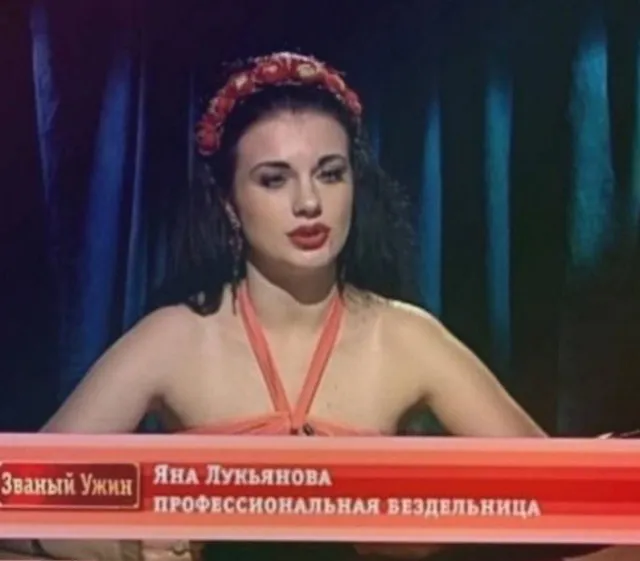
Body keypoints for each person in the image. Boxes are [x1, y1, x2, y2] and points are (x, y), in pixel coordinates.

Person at [0, 52, 625, 561]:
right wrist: (116, 547)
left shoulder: (406, 337)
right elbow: (17, 502)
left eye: (329, 173)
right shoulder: (174, 337)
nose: (309, 203)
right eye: (274, 179)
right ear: (229, 205)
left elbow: (565, 506)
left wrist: (441, 528)